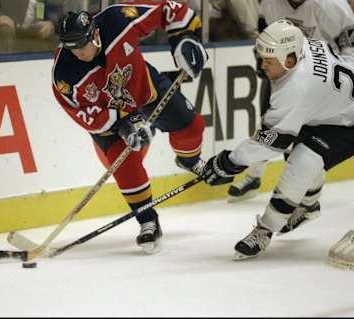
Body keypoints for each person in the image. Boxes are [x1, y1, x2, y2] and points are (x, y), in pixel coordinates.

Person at [51, 1, 208, 254]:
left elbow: (169, 8)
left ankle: (189, 161)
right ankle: (147, 220)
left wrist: (185, 38)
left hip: (146, 90)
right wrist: (125, 125)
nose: (78, 52)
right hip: (110, 117)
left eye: (82, 45)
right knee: (124, 163)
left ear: (95, 33)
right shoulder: (64, 73)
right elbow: (83, 115)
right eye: (71, 48)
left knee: (193, 127)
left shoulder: (117, 19)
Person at [200, 19, 354, 260]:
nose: (262, 66)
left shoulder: (296, 88)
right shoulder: (302, 45)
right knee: (300, 151)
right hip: (333, 107)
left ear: (290, 60)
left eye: (268, 61)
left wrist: (228, 163)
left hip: (348, 123)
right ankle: (308, 206)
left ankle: (265, 230)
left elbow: (270, 142)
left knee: (304, 160)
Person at [227, 0, 354, 231]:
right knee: (271, 125)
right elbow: (267, 27)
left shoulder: (330, 6)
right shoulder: (271, 3)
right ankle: (257, 175)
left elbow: (350, 38)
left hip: (319, 84)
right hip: (286, 72)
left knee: (301, 145)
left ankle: (307, 201)